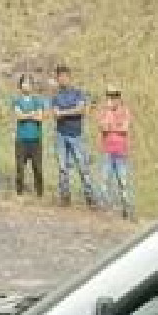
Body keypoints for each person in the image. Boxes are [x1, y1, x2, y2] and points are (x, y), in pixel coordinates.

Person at [49, 64, 97, 208]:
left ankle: (90, 198)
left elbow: (81, 110)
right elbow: (55, 114)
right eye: (60, 77)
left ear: (69, 77)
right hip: (61, 135)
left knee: (83, 167)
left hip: (76, 135)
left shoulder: (78, 93)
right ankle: (65, 197)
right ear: (57, 79)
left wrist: (64, 112)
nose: (62, 79)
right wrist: (71, 111)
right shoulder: (56, 96)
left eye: (64, 76)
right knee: (63, 168)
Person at [96, 85, 134, 220]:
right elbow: (103, 127)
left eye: (115, 96)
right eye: (110, 96)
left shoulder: (125, 111)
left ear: (119, 97)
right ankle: (107, 208)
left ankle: (126, 209)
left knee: (122, 182)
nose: (112, 99)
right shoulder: (104, 112)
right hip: (106, 150)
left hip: (121, 151)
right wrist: (112, 121)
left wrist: (112, 126)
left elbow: (124, 129)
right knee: (105, 181)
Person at [11, 74, 47, 197]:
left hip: (35, 139)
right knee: (20, 168)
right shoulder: (16, 100)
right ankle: (19, 193)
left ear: (32, 86)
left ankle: (40, 194)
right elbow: (18, 116)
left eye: (29, 83)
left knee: (37, 168)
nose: (26, 85)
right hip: (21, 139)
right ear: (20, 85)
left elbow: (40, 118)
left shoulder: (38, 100)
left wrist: (26, 115)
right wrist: (32, 114)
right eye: (24, 83)